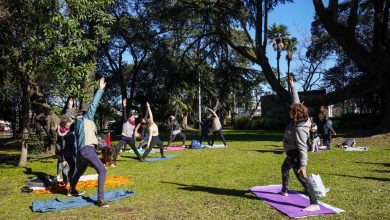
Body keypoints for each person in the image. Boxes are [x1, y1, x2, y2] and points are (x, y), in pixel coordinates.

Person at [280, 76, 320, 212]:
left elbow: (303, 148)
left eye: (291, 111)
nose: (289, 112)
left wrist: (303, 165)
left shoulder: (300, 129)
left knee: (302, 178)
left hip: (296, 155)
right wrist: (292, 87)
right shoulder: (298, 119)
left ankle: (314, 203)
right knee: (284, 169)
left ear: (296, 114)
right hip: (291, 153)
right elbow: (296, 102)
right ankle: (285, 190)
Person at [68, 77, 109, 208]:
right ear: (85, 114)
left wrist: (99, 143)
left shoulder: (78, 124)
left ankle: (71, 190)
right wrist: (100, 89)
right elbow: (94, 104)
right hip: (87, 150)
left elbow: (88, 137)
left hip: (81, 152)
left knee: (79, 171)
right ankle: (101, 199)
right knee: (102, 170)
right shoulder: (87, 118)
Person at [113, 98, 143, 164]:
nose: (133, 117)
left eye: (133, 117)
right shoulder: (126, 120)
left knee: (134, 149)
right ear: (129, 118)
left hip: (130, 139)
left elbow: (140, 119)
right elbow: (124, 113)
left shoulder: (134, 124)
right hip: (123, 138)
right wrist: (124, 105)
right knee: (116, 148)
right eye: (131, 117)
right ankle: (114, 161)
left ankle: (140, 158)